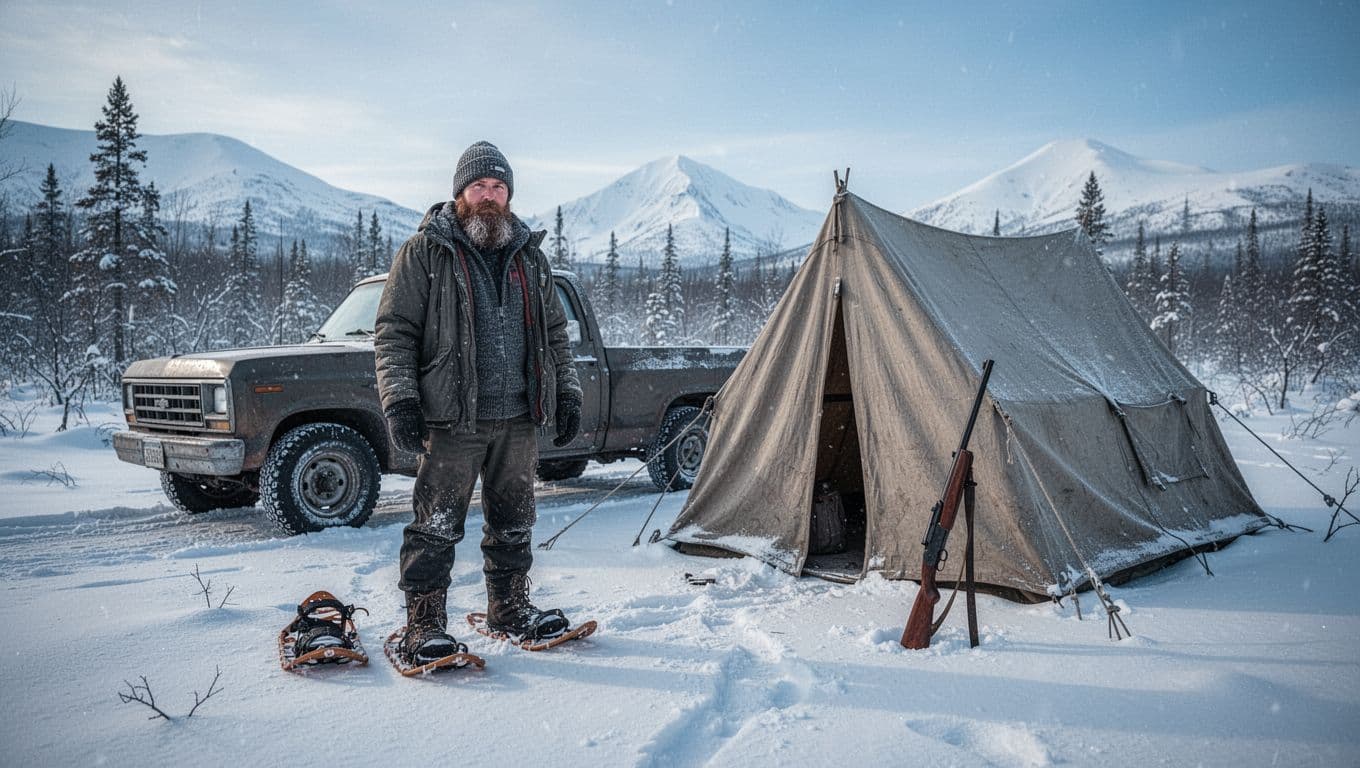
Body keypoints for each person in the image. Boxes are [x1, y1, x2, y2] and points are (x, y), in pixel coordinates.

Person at [374, 141, 583, 663]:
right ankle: (424, 626)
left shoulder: (530, 258)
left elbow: (556, 334)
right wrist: (399, 398)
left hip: (517, 417)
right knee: (436, 523)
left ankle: (508, 609)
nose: (488, 196)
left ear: (508, 194)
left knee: (514, 520)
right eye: (478, 186)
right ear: (460, 194)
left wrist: (568, 393)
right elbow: (395, 331)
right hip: (453, 420)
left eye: (497, 187)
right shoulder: (425, 252)